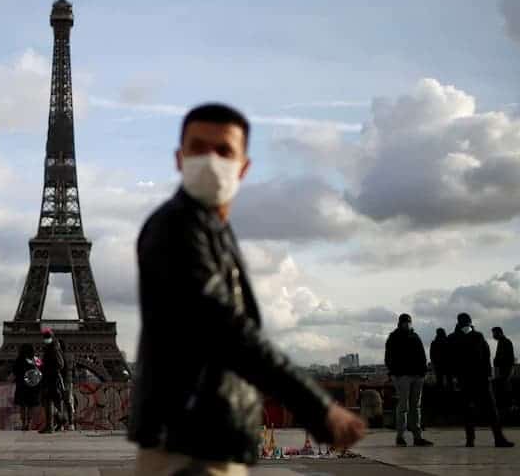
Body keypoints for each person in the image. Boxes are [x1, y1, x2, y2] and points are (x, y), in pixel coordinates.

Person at [129, 103, 365, 475]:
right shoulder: (176, 228)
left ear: (244, 166)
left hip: (205, 436)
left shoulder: (211, 229)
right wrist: (317, 407)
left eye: (223, 150)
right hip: (190, 443)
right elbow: (226, 329)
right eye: (198, 148)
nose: (210, 160)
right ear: (178, 158)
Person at [448, 313, 514, 447]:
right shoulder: (472, 336)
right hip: (473, 378)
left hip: (474, 378)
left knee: (478, 409)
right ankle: (494, 438)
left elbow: (485, 355)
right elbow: (485, 354)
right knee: (483, 409)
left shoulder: (458, 337)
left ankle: (474, 439)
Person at [384, 313, 433, 447]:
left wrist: (423, 373)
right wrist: (396, 373)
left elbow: (422, 355)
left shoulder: (414, 336)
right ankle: (401, 436)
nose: (407, 324)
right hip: (403, 376)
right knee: (404, 406)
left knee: (415, 406)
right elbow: (388, 358)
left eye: (409, 322)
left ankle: (417, 437)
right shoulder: (394, 337)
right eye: (405, 322)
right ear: (400, 323)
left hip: (417, 375)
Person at [39, 328, 65, 434]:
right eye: (45, 337)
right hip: (50, 377)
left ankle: (50, 426)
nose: (45, 339)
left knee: (48, 400)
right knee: (48, 401)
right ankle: (61, 420)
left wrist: (46, 367)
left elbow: (60, 364)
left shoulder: (53, 348)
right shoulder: (51, 347)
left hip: (52, 378)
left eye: (47, 337)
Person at [13, 343, 42, 430]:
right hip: (33, 386)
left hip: (22, 385)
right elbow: (41, 369)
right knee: (30, 405)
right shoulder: (36, 359)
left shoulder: (19, 360)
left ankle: (23, 423)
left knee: (23, 405)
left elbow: (15, 371)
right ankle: (28, 423)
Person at [492, 327, 515, 421]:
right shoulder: (503, 342)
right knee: (505, 391)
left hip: (505, 371)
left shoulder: (505, 342)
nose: (493, 336)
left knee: (505, 392)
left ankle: (507, 412)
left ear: (499, 333)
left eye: (494, 333)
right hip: (504, 371)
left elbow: (508, 359)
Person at [59, 339, 76, 431]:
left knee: (59, 403)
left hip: (60, 381)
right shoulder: (71, 356)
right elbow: (74, 370)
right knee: (69, 403)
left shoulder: (58, 356)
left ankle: (60, 424)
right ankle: (71, 423)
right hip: (68, 382)